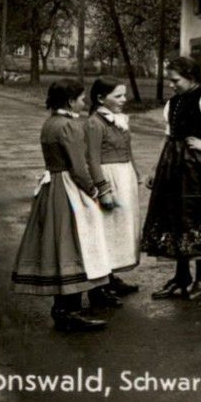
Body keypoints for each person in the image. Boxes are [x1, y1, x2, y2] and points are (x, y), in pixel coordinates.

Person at [10, 78, 114, 332]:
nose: (84, 102)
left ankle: (62, 309)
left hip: (52, 186)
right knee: (75, 245)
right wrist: (94, 190)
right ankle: (70, 311)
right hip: (68, 188)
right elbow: (78, 167)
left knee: (60, 246)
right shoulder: (70, 126)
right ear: (70, 101)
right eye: (81, 99)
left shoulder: (50, 124)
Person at [140, 56, 201, 300]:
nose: (172, 85)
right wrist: (155, 169)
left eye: (176, 80)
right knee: (174, 216)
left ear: (191, 78)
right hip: (171, 163)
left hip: (195, 165)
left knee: (195, 214)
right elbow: (168, 136)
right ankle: (181, 277)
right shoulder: (172, 103)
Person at [85, 76, 143, 307]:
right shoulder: (95, 123)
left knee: (122, 228)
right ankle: (99, 286)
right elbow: (92, 158)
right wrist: (103, 188)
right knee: (107, 230)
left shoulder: (120, 120)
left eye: (124, 95)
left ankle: (111, 278)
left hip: (124, 175)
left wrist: (135, 173)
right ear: (101, 98)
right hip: (109, 178)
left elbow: (129, 150)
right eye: (117, 96)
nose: (124, 99)